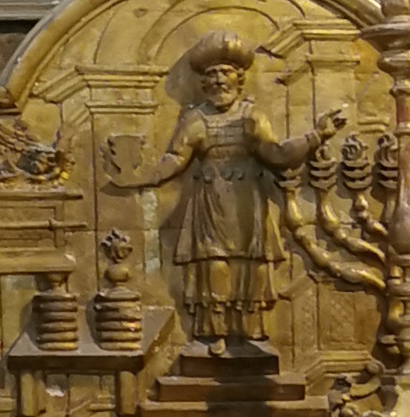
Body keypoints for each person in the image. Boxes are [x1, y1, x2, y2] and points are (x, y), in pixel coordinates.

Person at [121, 29, 343, 363]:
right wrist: (140, 177)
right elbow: (175, 159)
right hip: (210, 204)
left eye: (225, 72)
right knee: (215, 266)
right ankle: (215, 334)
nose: (218, 80)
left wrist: (315, 136)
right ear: (203, 82)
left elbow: (276, 154)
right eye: (211, 74)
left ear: (238, 78)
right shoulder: (196, 118)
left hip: (245, 205)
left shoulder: (252, 117)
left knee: (250, 268)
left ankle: (249, 333)